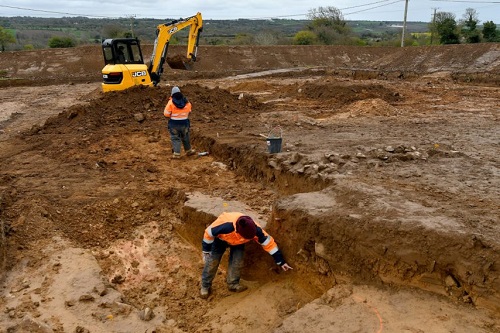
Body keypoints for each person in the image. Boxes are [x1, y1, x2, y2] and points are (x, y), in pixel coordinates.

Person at [200, 212, 293, 299]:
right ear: (238, 232)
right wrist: (206, 251)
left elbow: (269, 244)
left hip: (238, 243)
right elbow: (208, 233)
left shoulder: (256, 230)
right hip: (221, 240)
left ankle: (233, 284)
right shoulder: (225, 226)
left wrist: (281, 262)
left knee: (237, 261)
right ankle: (205, 286)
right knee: (212, 262)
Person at [164, 86, 196, 159]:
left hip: (174, 124)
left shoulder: (171, 102)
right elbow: (189, 110)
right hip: (184, 123)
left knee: (175, 138)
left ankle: (176, 154)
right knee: (186, 137)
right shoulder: (186, 101)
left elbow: (166, 114)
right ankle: (188, 151)